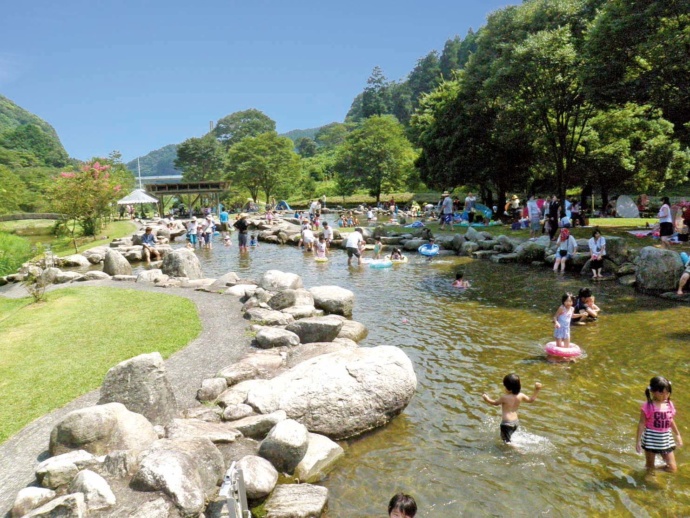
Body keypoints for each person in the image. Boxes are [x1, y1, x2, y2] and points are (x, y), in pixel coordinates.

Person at [635, 376, 682, 473]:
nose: (665, 395)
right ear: (652, 391)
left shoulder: (669, 404)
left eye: (667, 392)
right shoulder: (648, 406)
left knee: (672, 468)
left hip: (666, 439)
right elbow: (641, 424)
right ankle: (649, 470)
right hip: (651, 439)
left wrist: (677, 435)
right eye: (661, 392)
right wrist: (638, 441)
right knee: (650, 466)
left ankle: (652, 469)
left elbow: (670, 420)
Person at [482, 373, 542, 444]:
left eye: (505, 386)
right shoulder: (521, 395)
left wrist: (486, 398)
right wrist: (537, 390)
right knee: (509, 438)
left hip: (506, 424)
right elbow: (531, 400)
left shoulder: (504, 397)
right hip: (515, 422)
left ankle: (518, 450)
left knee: (506, 442)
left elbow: (495, 403)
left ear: (508, 388)